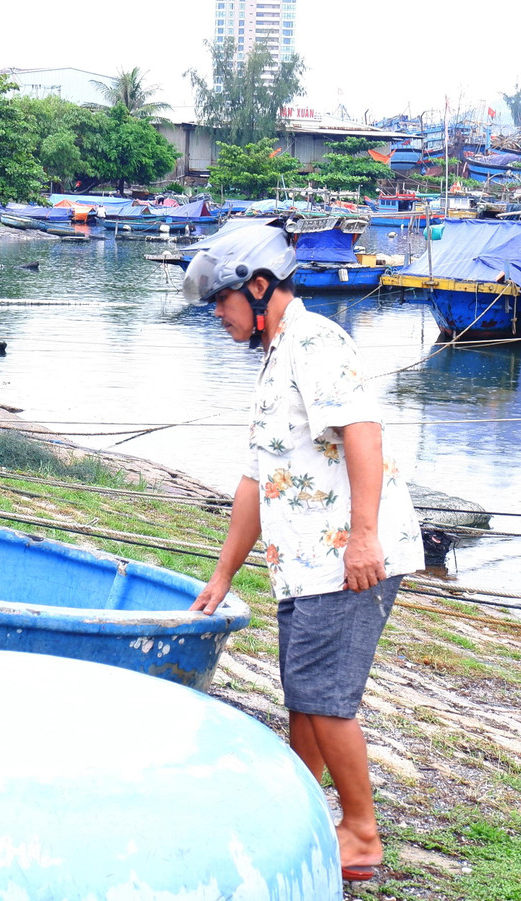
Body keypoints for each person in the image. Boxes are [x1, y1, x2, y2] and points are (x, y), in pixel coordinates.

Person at [183, 221, 423, 885]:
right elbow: (256, 483)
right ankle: (301, 812)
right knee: (303, 694)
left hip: (351, 558)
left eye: (222, 303)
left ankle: (361, 832)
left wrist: (365, 535)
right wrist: (223, 572)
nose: (217, 316)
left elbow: (363, 434)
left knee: (326, 697)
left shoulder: (317, 340)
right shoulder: (275, 359)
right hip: (305, 564)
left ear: (259, 287)